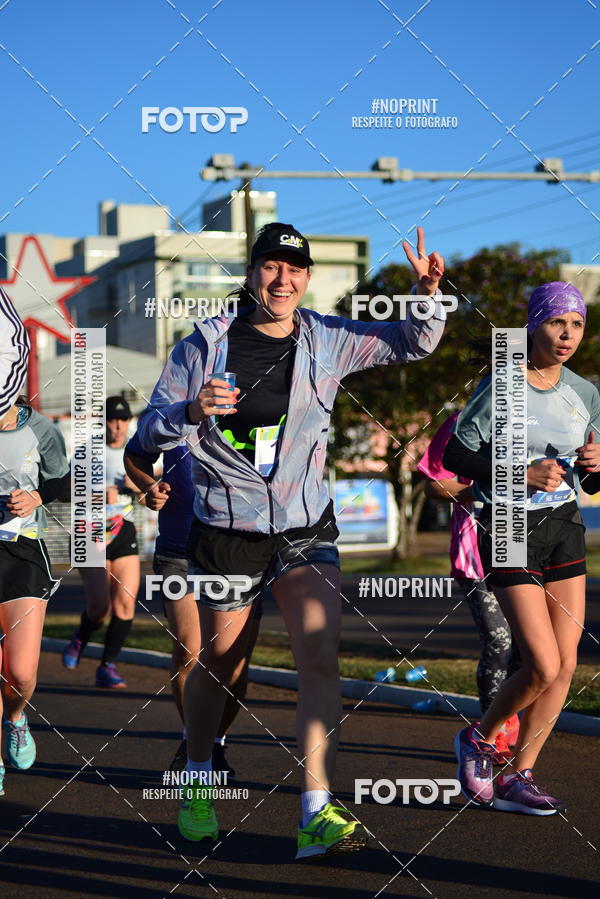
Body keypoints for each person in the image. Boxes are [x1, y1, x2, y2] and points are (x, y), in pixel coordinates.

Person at [135, 222, 447, 856]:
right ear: (252, 274)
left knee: (318, 651)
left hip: (305, 526)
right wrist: (191, 412)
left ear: (307, 279)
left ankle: (316, 809)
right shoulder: (204, 346)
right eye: (271, 267)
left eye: (295, 270)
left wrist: (423, 295)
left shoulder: (328, 339)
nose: (283, 279)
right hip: (227, 529)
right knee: (222, 665)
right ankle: (198, 779)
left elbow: (411, 344)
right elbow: (147, 436)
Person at [445, 282, 600, 815]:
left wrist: (596, 468)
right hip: (508, 522)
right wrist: (520, 471)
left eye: (576, 324)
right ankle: (479, 739)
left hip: (564, 525)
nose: (567, 335)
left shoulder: (586, 392)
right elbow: (456, 458)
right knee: (540, 663)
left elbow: (592, 482)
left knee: (566, 665)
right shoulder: (502, 385)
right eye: (557, 322)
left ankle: (519, 774)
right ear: (534, 325)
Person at [123, 434, 260, 774]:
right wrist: (148, 486)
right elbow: (135, 454)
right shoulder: (173, 410)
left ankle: (216, 744)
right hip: (178, 550)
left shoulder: (257, 410)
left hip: (239, 552)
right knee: (189, 648)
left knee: (235, 662)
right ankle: (192, 741)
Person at [417, 412, 520, 762]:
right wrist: (482, 489)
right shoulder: (462, 421)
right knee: (499, 640)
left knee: (529, 647)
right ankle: (493, 734)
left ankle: (513, 721)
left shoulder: (543, 414)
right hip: (476, 551)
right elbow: (433, 484)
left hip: (530, 547)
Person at [0, 391, 69, 796]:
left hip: (24, 549)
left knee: (20, 672)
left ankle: (17, 717)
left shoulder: (39, 427)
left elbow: (62, 478)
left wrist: (36, 496)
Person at [62, 396, 141, 688]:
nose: (117, 426)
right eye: (112, 420)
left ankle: (108, 665)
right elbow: (62, 491)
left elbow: (155, 493)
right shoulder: (87, 452)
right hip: (89, 531)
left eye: (123, 420)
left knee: (125, 606)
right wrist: (95, 494)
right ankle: (81, 636)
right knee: (100, 607)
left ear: (129, 422)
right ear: (103, 422)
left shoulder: (138, 451)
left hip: (123, 530)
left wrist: (138, 488)